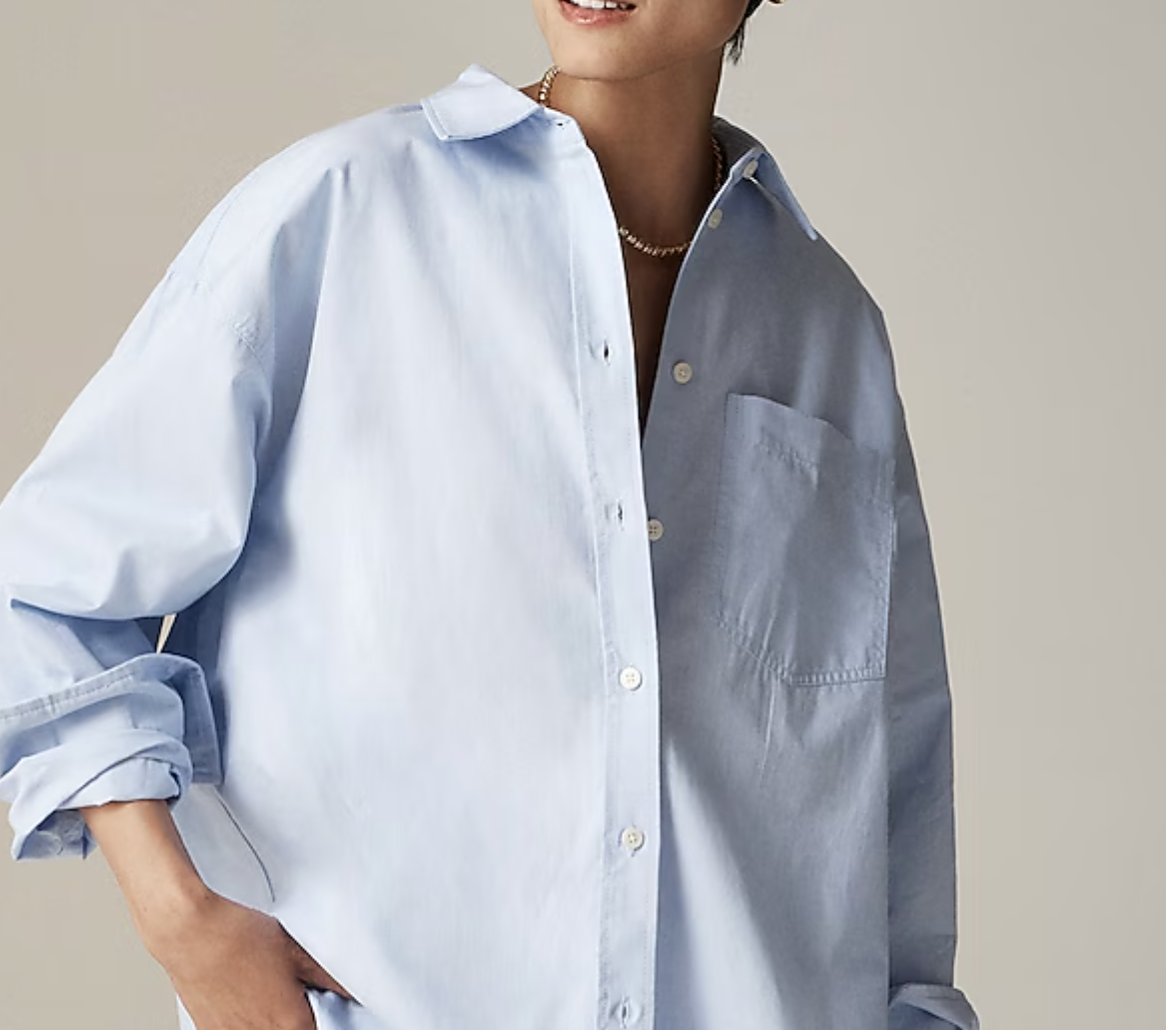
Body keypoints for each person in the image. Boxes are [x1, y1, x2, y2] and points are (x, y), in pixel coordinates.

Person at [0, 1, 981, 1029]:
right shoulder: (343, 214)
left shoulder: (828, 326)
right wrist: (185, 920)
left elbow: (895, 806)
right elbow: (40, 589)